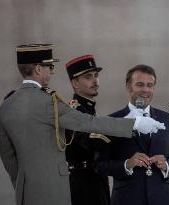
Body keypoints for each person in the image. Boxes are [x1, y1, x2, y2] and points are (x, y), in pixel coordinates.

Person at [0, 44, 165, 205]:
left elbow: (8, 155)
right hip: (72, 185)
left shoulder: (7, 104)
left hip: (28, 190)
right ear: (39, 69)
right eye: (50, 67)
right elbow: (88, 126)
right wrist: (134, 123)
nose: (51, 73)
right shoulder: (51, 102)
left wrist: (21, 184)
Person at [98, 64, 169, 205]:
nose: (145, 90)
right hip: (126, 199)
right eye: (140, 84)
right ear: (129, 87)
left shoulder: (168, 120)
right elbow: (100, 164)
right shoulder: (112, 121)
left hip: (161, 199)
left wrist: (167, 165)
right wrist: (127, 164)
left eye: (150, 85)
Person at [65, 55, 110, 205]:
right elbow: (91, 141)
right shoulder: (73, 111)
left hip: (95, 179)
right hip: (83, 184)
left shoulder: (87, 109)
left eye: (96, 76)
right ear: (74, 83)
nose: (95, 80)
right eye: (88, 77)